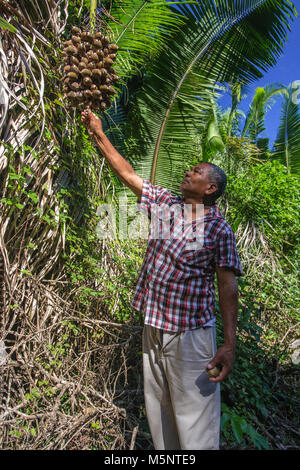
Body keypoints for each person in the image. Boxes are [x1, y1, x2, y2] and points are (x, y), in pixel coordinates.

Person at [81, 108, 242, 450]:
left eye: (196, 172)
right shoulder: (167, 203)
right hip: (154, 326)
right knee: (160, 414)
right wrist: (98, 131)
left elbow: (228, 287)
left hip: (190, 337)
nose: (188, 171)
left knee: (195, 419)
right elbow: (127, 174)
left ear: (210, 187)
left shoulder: (218, 228)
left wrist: (228, 344)